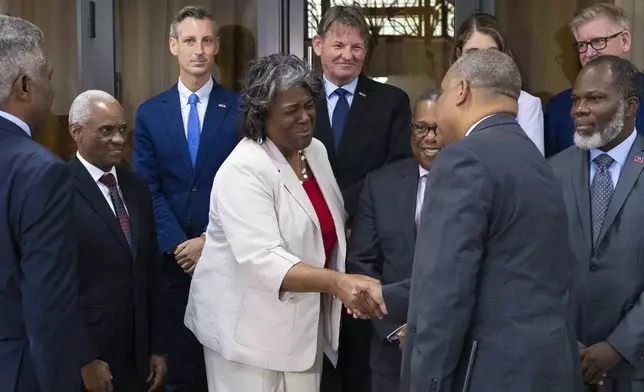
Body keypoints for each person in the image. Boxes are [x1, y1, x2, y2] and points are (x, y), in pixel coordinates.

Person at [184, 53, 387, 392]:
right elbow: (264, 260)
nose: (305, 117)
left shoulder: (315, 151)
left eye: (309, 106)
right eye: (291, 110)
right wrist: (338, 283)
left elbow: (329, 228)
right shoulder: (244, 169)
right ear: (261, 115)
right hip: (247, 336)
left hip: (302, 329)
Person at [400, 49, 581, 392]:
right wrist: (386, 294)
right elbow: (508, 268)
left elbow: (446, 291)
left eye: (442, 94)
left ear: (461, 91)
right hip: (546, 369)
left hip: (489, 372)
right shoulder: (537, 161)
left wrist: (427, 382)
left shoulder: (463, 159)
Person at [133, 6, 240, 391]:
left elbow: (247, 190)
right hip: (171, 267)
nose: (199, 50)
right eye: (190, 41)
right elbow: (147, 187)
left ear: (216, 47)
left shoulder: (242, 111)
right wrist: (182, 246)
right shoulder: (149, 114)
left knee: (226, 371)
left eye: (207, 40)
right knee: (179, 375)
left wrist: (209, 242)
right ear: (173, 46)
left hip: (228, 261)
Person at [311, 6, 412, 390]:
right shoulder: (299, 99)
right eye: (338, 45)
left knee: (359, 356)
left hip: (367, 242)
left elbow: (397, 167)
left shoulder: (391, 101)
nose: (347, 55)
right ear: (318, 45)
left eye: (356, 47)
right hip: (309, 243)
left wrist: (340, 204)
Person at [0, 15, 94, 392]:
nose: (53, 91)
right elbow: (48, 309)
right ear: (24, 86)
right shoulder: (44, 173)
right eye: (49, 77)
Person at [550, 55, 644, 392]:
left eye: (595, 98)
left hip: (635, 369)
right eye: (576, 99)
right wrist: (561, 336)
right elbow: (533, 268)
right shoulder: (551, 172)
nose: (579, 109)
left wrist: (619, 346)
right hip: (563, 365)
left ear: (630, 106)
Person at [68, 90, 167, 392]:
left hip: (138, 358)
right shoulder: (58, 189)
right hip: (92, 359)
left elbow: (150, 269)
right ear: (77, 132)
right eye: (106, 130)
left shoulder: (136, 187)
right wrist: (84, 358)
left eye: (121, 129)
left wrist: (157, 346)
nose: (119, 139)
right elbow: (58, 287)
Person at [346, 89, 443, 392]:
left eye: (439, 128)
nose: (430, 137)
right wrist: (398, 329)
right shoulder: (380, 184)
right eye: (421, 127)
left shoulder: (479, 183)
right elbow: (362, 262)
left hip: (456, 351)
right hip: (392, 353)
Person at [544, 3, 644, 157]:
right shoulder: (558, 109)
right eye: (582, 45)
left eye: (598, 41)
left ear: (624, 41)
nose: (589, 53)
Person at [451, 12, 545, 155]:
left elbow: (531, 169)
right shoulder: (447, 102)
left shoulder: (526, 105)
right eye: (473, 53)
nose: (482, 62)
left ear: (504, 56)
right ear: (459, 55)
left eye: (492, 53)